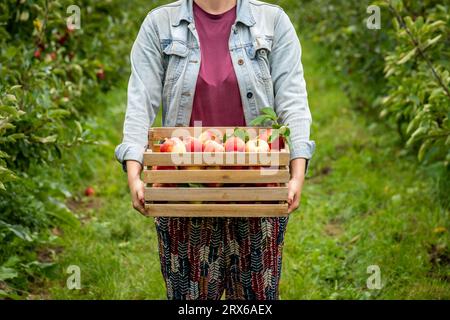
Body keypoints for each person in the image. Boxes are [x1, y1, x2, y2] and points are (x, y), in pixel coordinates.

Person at [115, 0, 315, 300]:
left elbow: (293, 101)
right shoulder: (159, 24)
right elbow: (139, 103)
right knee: (191, 299)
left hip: (258, 189)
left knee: (255, 300)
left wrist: (297, 173)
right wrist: (134, 174)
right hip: (185, 190)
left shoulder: (272, 21)